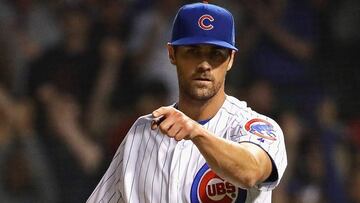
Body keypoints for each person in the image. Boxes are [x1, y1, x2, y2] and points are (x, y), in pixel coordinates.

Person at [87, 2, 287, 203]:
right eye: (193, 51)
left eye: (216, 54)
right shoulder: (141, 133)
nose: (204, 65)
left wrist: (196, 132)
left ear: (231, 59)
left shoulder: (254, 126)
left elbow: (250, 172)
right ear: (172, 54)